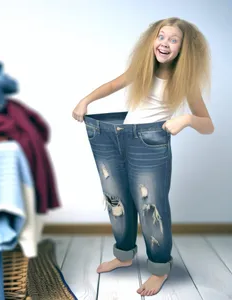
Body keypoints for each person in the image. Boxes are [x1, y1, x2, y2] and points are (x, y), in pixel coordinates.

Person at [72, 17, 214, 297]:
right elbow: (113, 85)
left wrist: (185, 119)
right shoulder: (142, 70)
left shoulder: (183, 80)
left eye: (174, 40)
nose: (165, 43)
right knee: (117, 200)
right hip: (113, 136)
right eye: (162, 37)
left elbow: (207, 124)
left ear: (183, 50)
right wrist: (85, 100)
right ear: (152, 40)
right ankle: (124, 255)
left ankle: (159, 267)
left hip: (148, 143)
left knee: (152, 208)